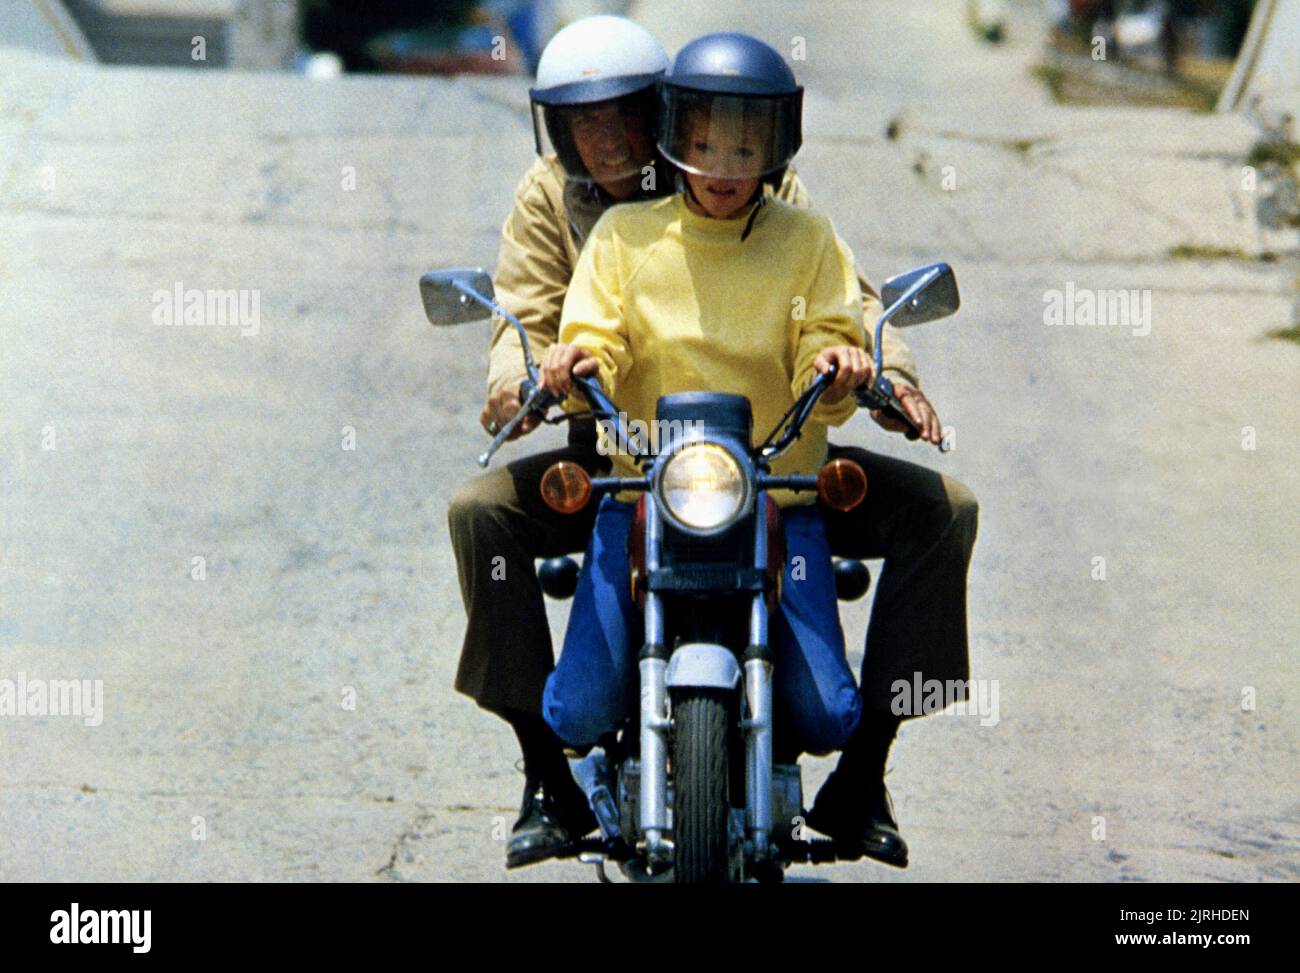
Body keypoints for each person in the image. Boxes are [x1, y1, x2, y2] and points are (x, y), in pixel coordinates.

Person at [446, 18, 977, 871]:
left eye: (625, 112)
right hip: (618, 444)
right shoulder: (559, 201)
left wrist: (885, 380)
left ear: (666, 107)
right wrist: (526, 385)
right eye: (584, 119)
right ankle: (547, 775)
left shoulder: (771, 191)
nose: (608, 135)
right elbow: (538, 313)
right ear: (559, 126)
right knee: (483, 517)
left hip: (771, 451)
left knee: (943, 511)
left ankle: (866, 770)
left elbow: (848, 309)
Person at [537, 38, 870, 753]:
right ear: (677, 138)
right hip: (641, 496)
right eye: (706, 147)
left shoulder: (808, 237)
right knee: (580, 710)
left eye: (746, 151)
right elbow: (599, 332)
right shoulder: (626, 235)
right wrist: (581, 359)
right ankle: (580, 778)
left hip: (776, 497)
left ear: (777, 149)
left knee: (826, 714)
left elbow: (827, 334)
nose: (723, 169)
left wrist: (837, 361)